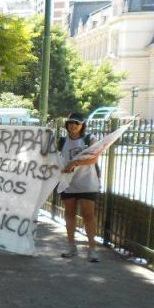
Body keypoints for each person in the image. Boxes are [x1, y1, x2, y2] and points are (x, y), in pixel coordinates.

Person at [59, 112, 101, 262]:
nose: (73, 125)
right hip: (68, 183)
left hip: (87, 183)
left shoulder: (90, 139)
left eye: (77, 123)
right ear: (66, 124)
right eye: (70, 122)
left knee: (88, 215)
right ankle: (71, 247)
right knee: (69, 214)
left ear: (82, 124)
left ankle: (92, 249)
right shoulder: (62, 141)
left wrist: (74, 163)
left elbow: (94, 158)